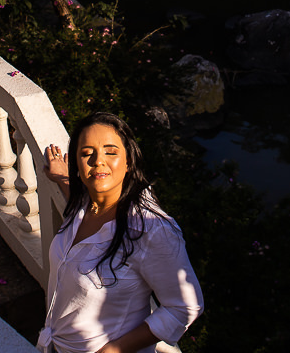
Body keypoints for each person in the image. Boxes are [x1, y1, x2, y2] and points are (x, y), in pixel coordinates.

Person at [39, 112, 203, 353]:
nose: (98, 161)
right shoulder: (86, 204)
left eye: (110, 152)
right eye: (87, 153)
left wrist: (112, 350)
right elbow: (79, 196)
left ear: (128, 162)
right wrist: (62, 178)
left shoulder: (150, 229)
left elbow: (185, 307)